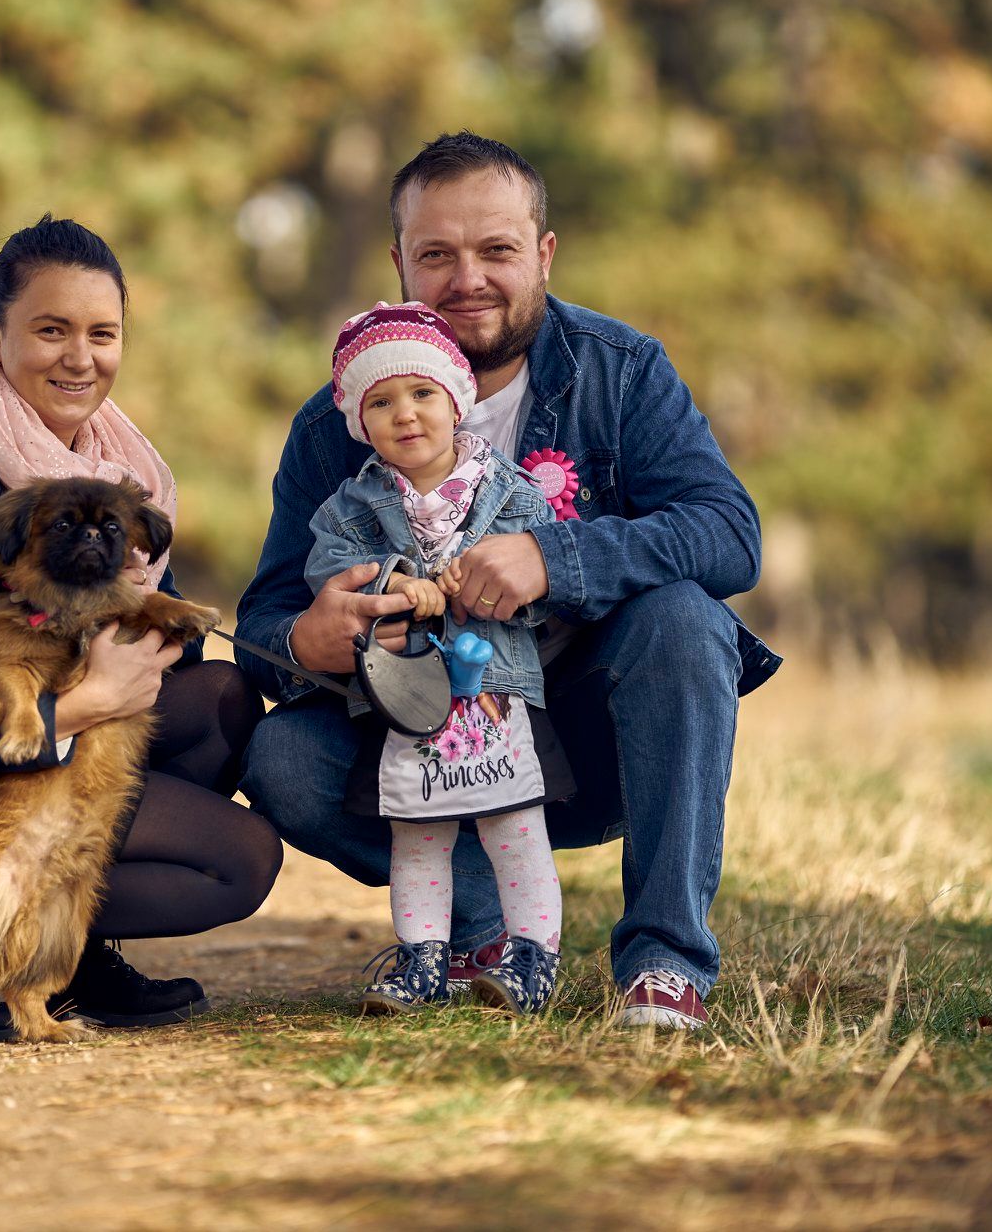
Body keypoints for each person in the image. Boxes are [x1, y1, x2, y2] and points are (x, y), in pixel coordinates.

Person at [236, 134, 780, 1030]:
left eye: (497, 249)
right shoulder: (333, 425)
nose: (468, 279)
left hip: (592, 734)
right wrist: (304, 638)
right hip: (419, 735)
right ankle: (484, 933)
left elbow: (730, 533)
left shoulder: (622, 371)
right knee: (280, 758)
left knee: (686, 620)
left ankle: (664, 962)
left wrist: (555, 558)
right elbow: (263, 618)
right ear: (398, 263)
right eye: (436, 255)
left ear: (544, 252)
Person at [0, 214, 282, 1040]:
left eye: (102, 334)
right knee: (237, 860)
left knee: (223, 700)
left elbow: (158, 643)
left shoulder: (115, 472)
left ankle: (69, 946)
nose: (80, 357)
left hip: (51, 764)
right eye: (51, 330)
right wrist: (87, 702)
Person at [306, 303, 571, 1016]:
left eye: (422, 392)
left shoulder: (510, 491)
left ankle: (532, 957)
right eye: (381, 402)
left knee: (514, 828)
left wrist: (494, 583)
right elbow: (330, 576)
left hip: (495, 695)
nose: (405, 414)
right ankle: (423, 958)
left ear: (456, 401)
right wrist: (396, 583)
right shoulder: (350, 508)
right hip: (410, 700)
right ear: (361, 423)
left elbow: (549, 587)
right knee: (418, 835)